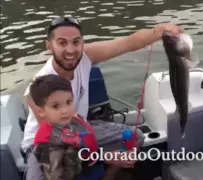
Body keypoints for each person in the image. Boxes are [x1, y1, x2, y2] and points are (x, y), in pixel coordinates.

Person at [21, 16, 184, 180]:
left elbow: (127, 43)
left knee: (135, 138)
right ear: (49, 45)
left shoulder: (85, 57)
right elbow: (61, 142)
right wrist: (105, 156)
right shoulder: (38, 87)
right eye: (62, 43)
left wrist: (159, 32)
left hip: (79, 126)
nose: (71, 50)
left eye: (76, 42)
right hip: (45, 143)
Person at [30, 74, 106, 180]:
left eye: (68, 102)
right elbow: (54, 175)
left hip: (94, 166)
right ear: (41, 111)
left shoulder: (74, 120)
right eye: (55, 106)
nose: (65, 110)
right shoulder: (45, 142)